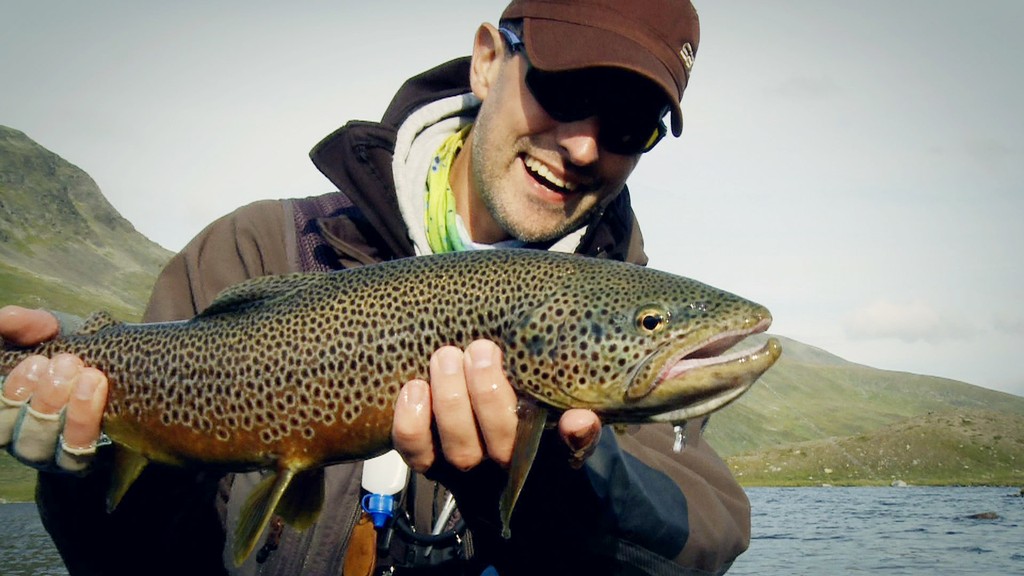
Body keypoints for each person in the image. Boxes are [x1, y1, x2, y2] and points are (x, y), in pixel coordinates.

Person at [0, 0, 751, 574]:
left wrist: (565, 481)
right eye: (563, 85)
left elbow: (704, 537)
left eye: (629, 124)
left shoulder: (627, 340)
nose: (584, 142)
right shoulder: (254, 248)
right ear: (489, 59)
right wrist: (92, 463)